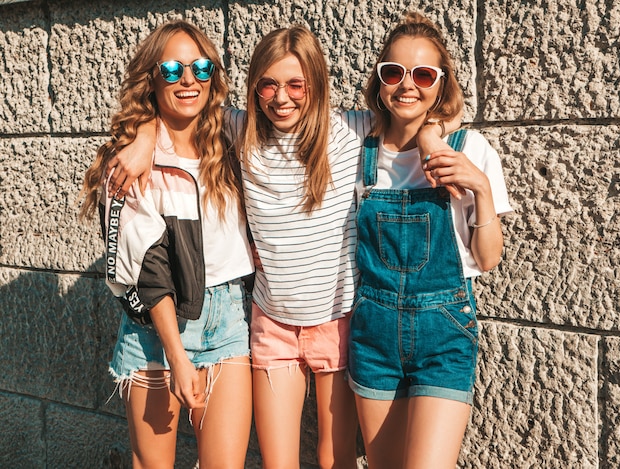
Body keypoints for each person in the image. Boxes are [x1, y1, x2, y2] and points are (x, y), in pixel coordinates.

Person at [103, 24, 458, 469]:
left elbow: (418, 110)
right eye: (268, 85)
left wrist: (432, 135)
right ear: (255, 89)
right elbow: (188, 113)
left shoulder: (351, 130)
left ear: (316, 82)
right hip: (272, 327)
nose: (281, 97)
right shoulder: (243, 130)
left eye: (295, 84)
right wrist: (142, 138)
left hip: (338, 321)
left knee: (335, 458)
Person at [79, 21, 254, 469]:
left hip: (227, 320)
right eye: (173, 69)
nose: (189, 79)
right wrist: (177, 356)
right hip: (156, 331)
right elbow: (147, 269)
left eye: (201, 67)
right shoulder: (129, 163)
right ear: (152, 78)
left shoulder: (229, 136)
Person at [347, 11, 513, 469]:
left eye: (423, 74)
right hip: (373, 335)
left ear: (441, 84)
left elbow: (489, 257)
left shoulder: (470, 149)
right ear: (379, 80)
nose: (407, 85)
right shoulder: (355, 140)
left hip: (444, 336)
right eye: (393, 72)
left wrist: (479, 185)